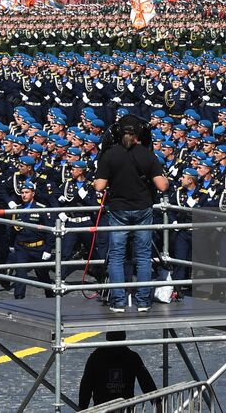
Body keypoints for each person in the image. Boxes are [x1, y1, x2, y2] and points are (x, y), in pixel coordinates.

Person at [92, 114, 168, 313]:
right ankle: (143, 301)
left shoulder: (110, 154)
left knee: (117, 256)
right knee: (143, 256)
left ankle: (118, 302)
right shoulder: (147, 154)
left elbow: (99, 186)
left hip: (118, 209)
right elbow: (162, 186)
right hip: (142, 208)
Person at [76, 331, 157, 409]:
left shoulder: (96, 357)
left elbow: (86, 386)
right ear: (124, 336)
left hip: (102, 408)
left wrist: (82, 407)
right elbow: (146, 382)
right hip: (125, 408)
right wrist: (157, 402)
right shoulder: (132, 356)